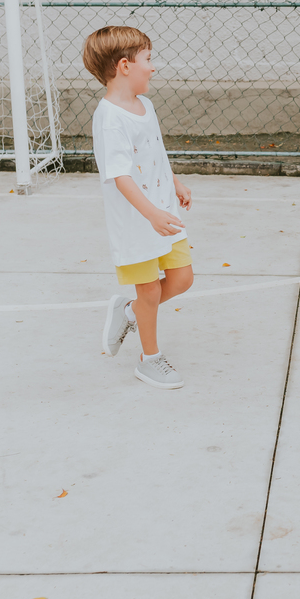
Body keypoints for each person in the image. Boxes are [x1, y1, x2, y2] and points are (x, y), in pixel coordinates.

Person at [85, 26, 193, 388]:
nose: (154, 67)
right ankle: (150, 359)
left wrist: (174, 182)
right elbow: (120, 175)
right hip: (137, 221)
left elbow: (154, 152)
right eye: (148, 59)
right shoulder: (110, 118)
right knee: (148, 291)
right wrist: (150, 214)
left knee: (181, 279)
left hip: (163, 211)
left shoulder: (144, 105)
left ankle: (129, 311)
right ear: (125, 65)